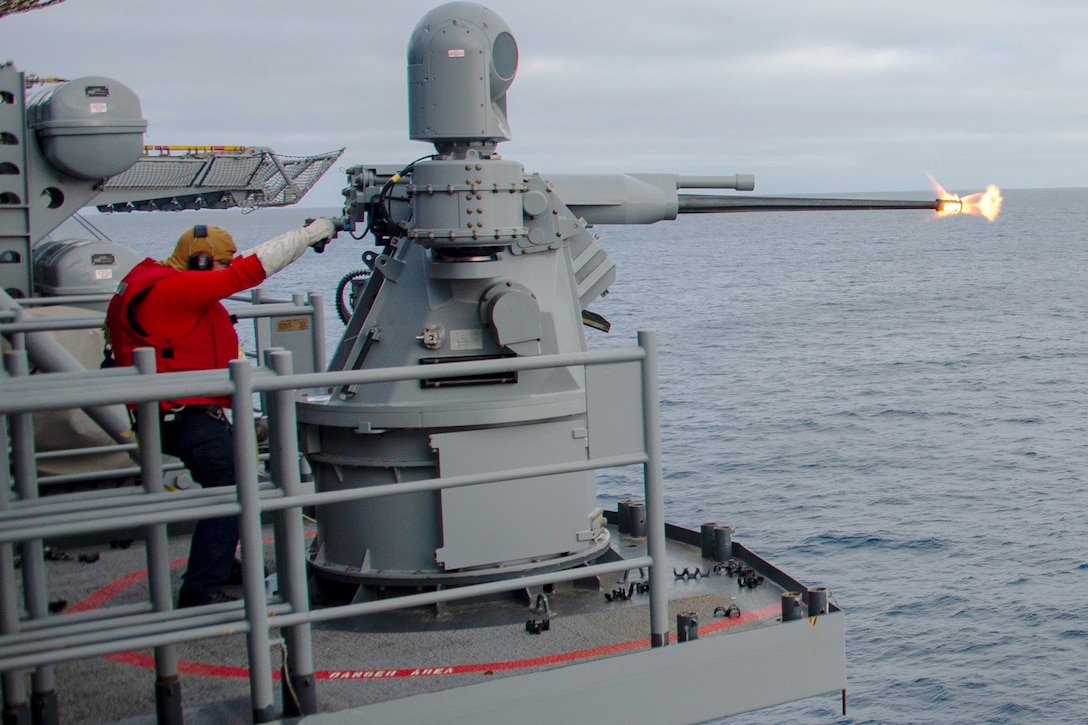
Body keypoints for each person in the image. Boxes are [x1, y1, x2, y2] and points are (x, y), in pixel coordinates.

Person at [105, 219, 336, 608]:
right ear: (199, 260)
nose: (225, 269)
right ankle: (201, 589)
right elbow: (248, 271)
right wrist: (311, 234)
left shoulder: (152, 279)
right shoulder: (174, 290)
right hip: (186, 416)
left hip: (172, 413)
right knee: (233, 488)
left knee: (225, 489)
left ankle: (220, 564)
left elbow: (238, 266)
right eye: (221, 262)